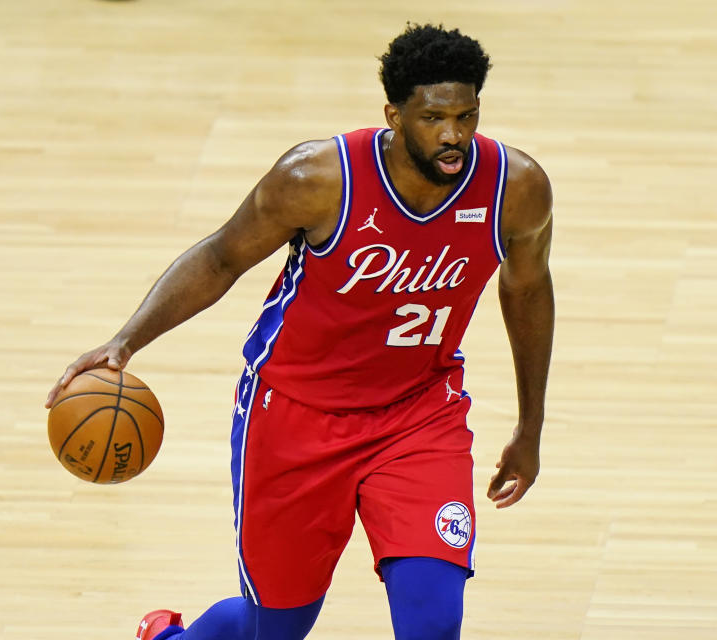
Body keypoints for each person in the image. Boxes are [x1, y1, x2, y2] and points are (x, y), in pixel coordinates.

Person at [45, 23, 554, 640]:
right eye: (433, 117)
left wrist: (530, 427)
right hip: (293, 417)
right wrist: (125, 340)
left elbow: (526, 290)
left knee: (433, 622)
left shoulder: (515, 189)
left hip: (418, 414)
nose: (453, 135)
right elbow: (219, 259)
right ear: (393, 114)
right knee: (277, 628)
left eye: (467, 115)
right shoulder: (317, 180)